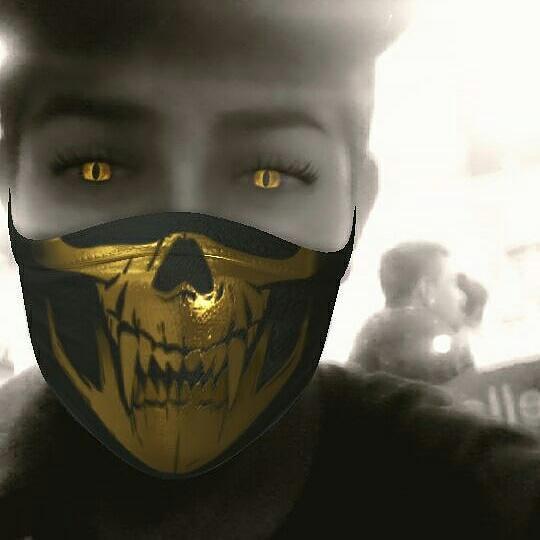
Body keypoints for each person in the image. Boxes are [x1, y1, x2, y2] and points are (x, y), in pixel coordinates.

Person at [0, 2, 539, 539]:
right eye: (96, 169)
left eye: (269, 175)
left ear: (355, 214)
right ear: (8, 196)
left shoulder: (493, 502)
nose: (185, 273)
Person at [348, 242, 487, 383]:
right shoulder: (434, 336)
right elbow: (469, 391)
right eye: (453, 283)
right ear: (425, 289)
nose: (462, 296)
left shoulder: (372, 330)